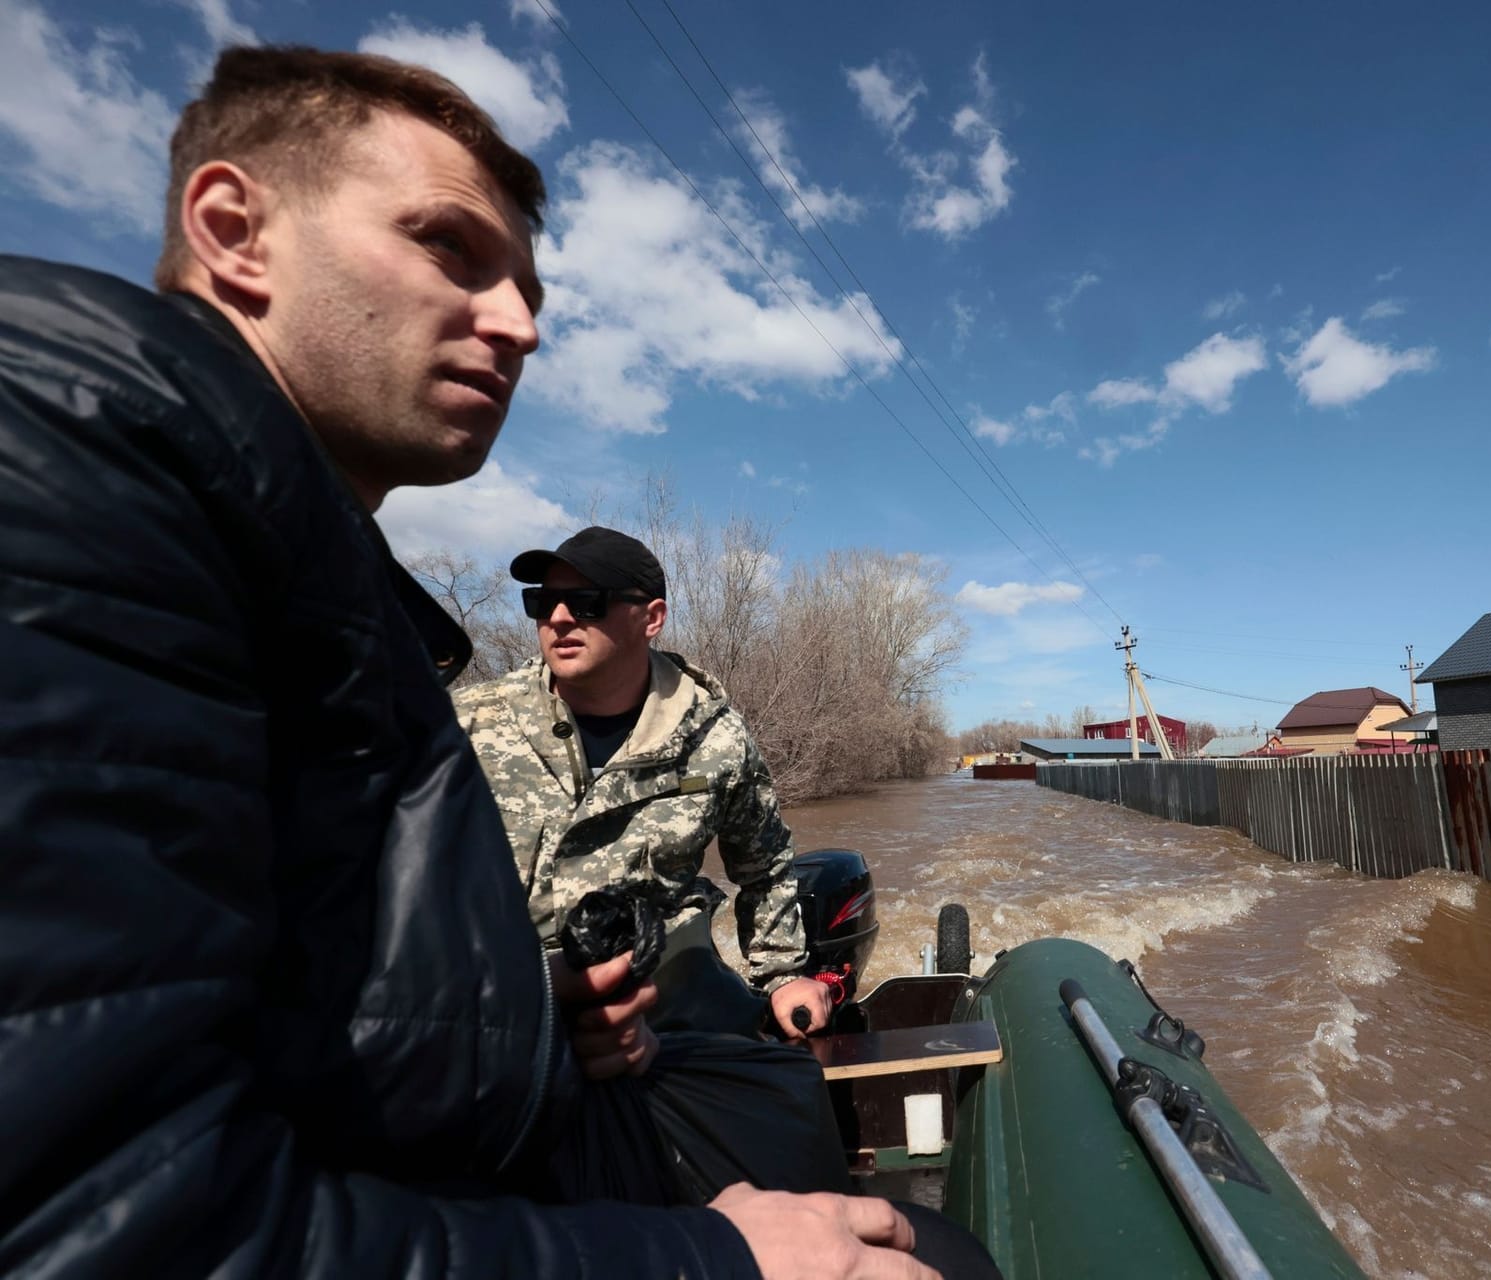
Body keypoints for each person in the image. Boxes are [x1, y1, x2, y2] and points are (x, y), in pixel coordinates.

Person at [0, 44, 935, 1280]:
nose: (521, 323)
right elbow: (103, 1215)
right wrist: (712, 1260)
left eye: (528, 286)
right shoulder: (82, 477)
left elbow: (302, 964)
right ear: (236, 230)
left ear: (647, 619)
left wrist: (539, 1006)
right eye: (450, 245)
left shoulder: (322, 589)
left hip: (575, 1058)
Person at [454, 526, 834, 1040]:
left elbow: (764, 868)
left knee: (777, 1097)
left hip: (660, 993)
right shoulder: (471, 724)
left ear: (651, 618)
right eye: (542, 602)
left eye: (588, 602)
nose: (560, 618)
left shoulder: (715, 739)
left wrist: (782, 975)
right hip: (501, 994)